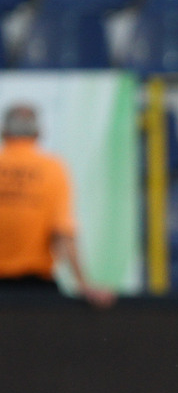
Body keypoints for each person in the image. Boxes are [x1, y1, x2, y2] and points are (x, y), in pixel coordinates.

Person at [0, 104, 115, 308]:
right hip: (35, 290)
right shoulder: (52, 169)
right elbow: (62, 233)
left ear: (4, 132)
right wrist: (83, 284)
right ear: (38, 132)